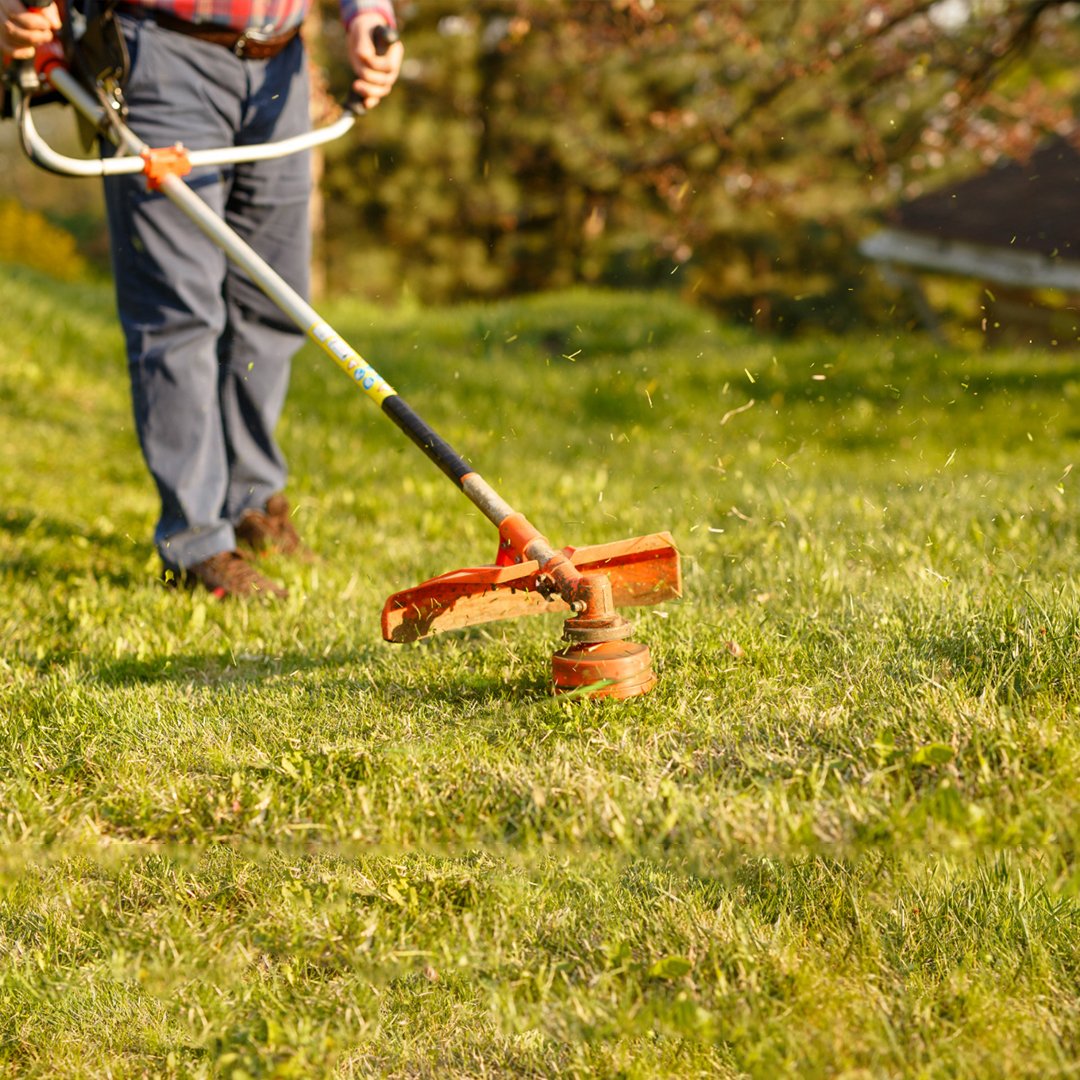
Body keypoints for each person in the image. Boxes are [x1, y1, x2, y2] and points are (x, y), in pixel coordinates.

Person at [0, 0, 403, 599]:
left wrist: (367, 14)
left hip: (281, 64)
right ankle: (196, 545)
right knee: (178, 314)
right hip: (161, 53)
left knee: (272, 304)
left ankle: (250, 503)